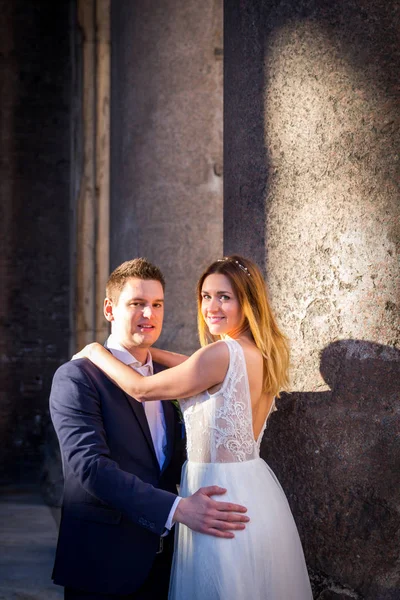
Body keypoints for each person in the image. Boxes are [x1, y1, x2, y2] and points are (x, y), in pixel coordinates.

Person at [74, 255, 313, 599]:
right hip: (252, 489)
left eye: (224, 297)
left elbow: (141, 389)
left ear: (248, 301)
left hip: (216, 497)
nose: (211, 307)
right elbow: (193, 366)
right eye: (206, 296)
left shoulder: (218, 355)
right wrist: (147, 350)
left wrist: (96, 351)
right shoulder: (257, 353)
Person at [49, 258, 249, 600]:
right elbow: (90, 469)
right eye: (137, 304)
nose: (149, 314)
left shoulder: (171, 378)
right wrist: (179, 509)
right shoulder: (77, 377)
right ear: (110, 310)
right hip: (103, 565)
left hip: (169, 564)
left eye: (157, 304)